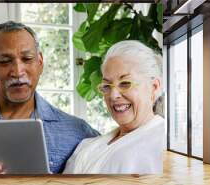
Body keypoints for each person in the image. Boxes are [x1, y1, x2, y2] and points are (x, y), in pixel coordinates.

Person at [0, 21, 99, 174]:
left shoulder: (79, 132)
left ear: (40, 63)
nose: (18, 71)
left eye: (27, 59)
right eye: (5, 61)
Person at [64, 40, 165, 174]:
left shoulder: (163, 144)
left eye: (125, 83)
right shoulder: (87, 146)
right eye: (107, 86)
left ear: (154, 87)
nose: (113, 95)